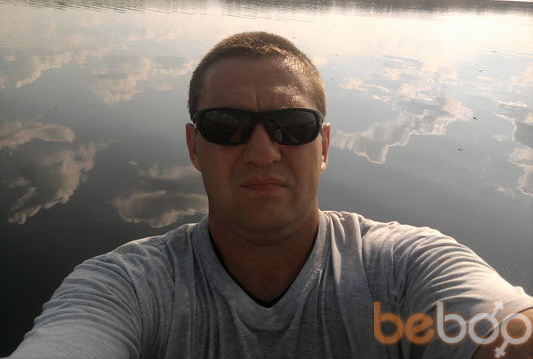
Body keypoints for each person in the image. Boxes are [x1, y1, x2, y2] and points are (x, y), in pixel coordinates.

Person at [7, 32, 533, 359]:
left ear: (323, 146)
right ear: (194, 146)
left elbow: (506, 331)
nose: (262, 153)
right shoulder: (127, 287)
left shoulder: (404, 268)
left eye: (293, 125)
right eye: (226, 124)